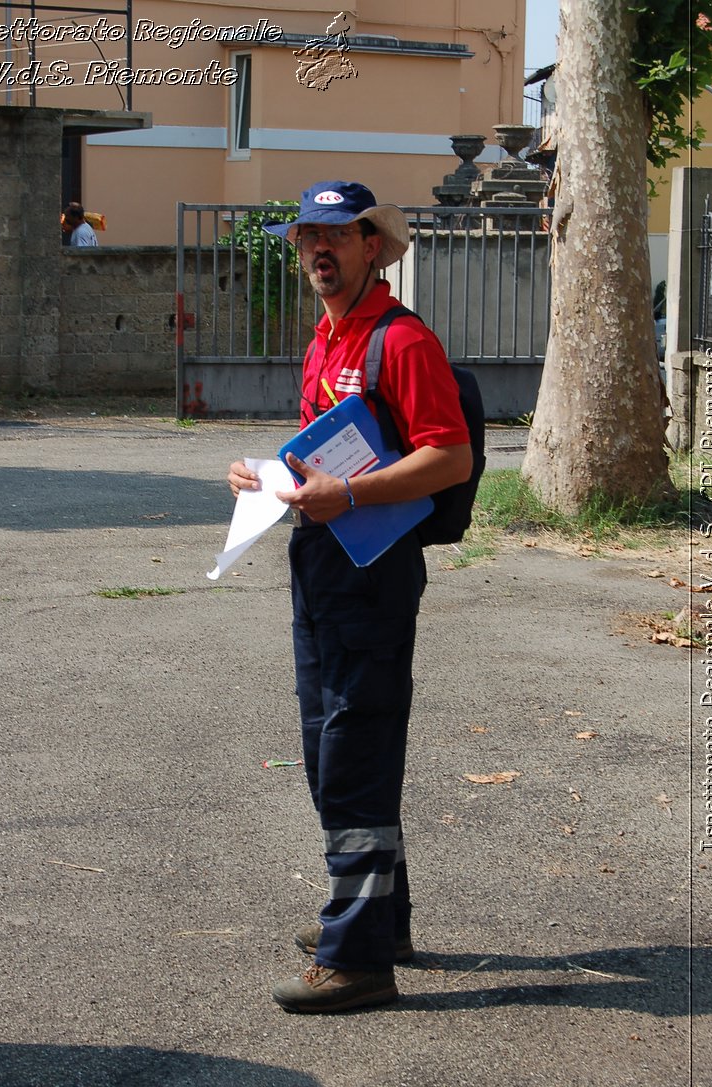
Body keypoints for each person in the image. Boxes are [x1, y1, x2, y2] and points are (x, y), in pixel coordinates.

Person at [228, 180, 472, 1014]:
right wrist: (266, 477)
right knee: (326, 746)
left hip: (373, 574)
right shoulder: (327, 342)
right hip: (321, 565)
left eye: (334, 236)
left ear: (374, 245)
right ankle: (384, 917)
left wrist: (352, 499)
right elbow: (320, 458)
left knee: (355, 751)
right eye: (306, 239)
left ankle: (358, 958)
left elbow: (450, 459)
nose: (317, 251)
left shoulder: (402, 342)